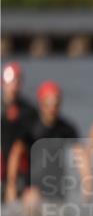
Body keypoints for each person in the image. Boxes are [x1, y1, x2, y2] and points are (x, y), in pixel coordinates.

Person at [5, 81, 84, 209]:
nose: (52, 108)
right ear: (41, 103)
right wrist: (11, 185)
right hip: (32, 185)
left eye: (56, 104)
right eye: (48, 104)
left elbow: (81, 154)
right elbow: (16, 153)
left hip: (57, 186)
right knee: (33, 204)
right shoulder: (29, 126)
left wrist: (87, 183)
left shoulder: (66, 128)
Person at [1, 62, 38, 203]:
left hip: (21, 168)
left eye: (17, 81)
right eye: (10, 81)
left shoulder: (29, 111)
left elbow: (28, 144)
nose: (14, 86)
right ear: (2, 83)